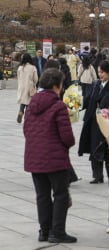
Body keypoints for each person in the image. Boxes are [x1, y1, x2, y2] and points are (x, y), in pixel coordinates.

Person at [23, 68, 77, 243]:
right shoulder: (58, 106)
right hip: (55, 160)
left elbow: (26, 130)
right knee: (60, 195)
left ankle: (44, 231)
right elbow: (67, 137)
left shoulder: (32, 105)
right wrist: (68, 144)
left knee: (42, 196)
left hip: (35, 158)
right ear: (56, 86)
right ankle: (57, 232)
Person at [78, 61, 109, 185]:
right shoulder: (96, 84)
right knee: (95, 147)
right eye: (99, 72)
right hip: (94, 120)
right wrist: (77, 104)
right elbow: (89, 99)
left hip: (107, 121)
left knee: (107, 148)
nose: (100, 75)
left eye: (103, 72)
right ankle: (97, 175)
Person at [17, 53, 38, 123]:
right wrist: (34, 84)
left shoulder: (20, 67)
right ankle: (27, 116)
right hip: (30, 87)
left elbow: (18, 77)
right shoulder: (32, 67)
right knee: (29, 102)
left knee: (23, 101)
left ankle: (20, 112)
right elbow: (36, 79)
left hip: (21, 87)